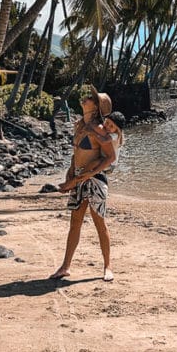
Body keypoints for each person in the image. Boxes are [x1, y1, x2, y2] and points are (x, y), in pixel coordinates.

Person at [50, 90, 118, 282]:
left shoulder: (99, 129)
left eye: (90, 98)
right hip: (79, 179)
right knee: (75, 224)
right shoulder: (80, 126)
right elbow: (76, 152)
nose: (85, 98)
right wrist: (71, 171)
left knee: (99, 224)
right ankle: (65, 267)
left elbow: (110, 157)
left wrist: (89, 174)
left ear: (95, 106)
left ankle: (107, 266)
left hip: (95, 181)